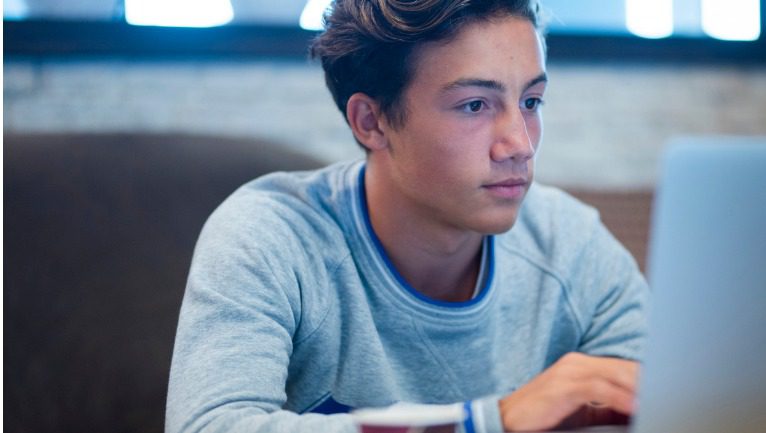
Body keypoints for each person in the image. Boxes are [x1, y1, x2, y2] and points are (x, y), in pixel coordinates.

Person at [165, 1, 649, 432]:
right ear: (371, 122)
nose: (520, 145)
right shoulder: (269, 235)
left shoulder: (571, 243)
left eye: (531, 102)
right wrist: (487, 424)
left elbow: (680, 405)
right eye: (474, 105)